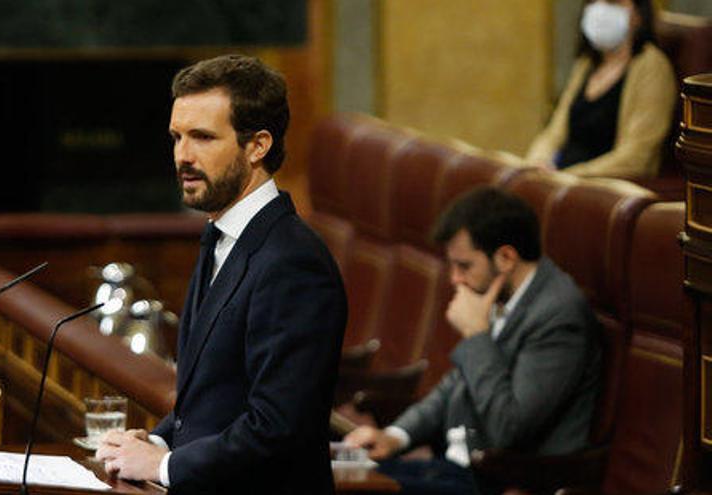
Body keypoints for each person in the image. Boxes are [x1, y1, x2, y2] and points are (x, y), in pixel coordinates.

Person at [94, 54, 348, 494]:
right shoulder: (221, 237)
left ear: (258, 146)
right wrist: (154, 440)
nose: (182, 156)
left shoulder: (293, 262)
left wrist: (167, 466)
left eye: (202, 138)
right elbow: (211, 399)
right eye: (176, 137)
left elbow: (277, 425)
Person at [344, 187, 601, 495]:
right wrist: (395, 436)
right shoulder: (503, 291)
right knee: (325, 474)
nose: (455, 279)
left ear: (506, 257)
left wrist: (477, 336)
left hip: (502, 480)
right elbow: (455, 387)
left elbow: (509, 429)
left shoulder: (559, 316)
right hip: (454, 471)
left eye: (464, 266)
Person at [525, 0, 677, 179]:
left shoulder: (652, 66)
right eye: (594, 1)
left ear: (638, 14)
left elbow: (638, 157)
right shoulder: (587, 63)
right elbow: (555, 131)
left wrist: (567, 177)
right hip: (562, 180)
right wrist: (537, 162)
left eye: (613, 2)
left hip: (602, 186)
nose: (601, 9)